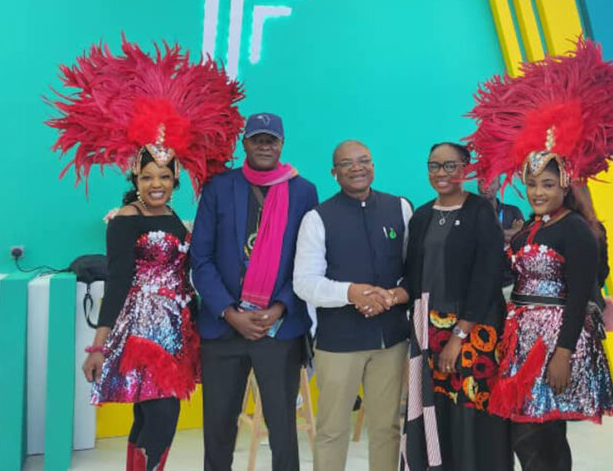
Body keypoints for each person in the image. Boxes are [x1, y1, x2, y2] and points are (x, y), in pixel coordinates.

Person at [47, 38, 244, 471]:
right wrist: (98, 347)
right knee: (161, 416)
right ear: (135, 178)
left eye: (165, 177)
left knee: (149, 416)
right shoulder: (125, 220)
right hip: (143, 330)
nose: (157, 184)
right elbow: (117, 282)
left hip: (177, 326)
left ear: (175, 181)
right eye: (148, 177)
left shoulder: (173, 216)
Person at [467, 37, 613, 470]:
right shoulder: (530, 227)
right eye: (532, 184)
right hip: (522, 337)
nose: (538, 192)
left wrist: (563, 353)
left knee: (537, 434)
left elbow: (580, 295)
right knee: (535, 433)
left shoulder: (576, 229)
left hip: (555, 340)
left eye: (547, 184)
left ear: (564, 186)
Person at [191, 112, 319, 471]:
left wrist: (280, 307)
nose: (264, 146)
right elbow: (201, 258)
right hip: (224, 327)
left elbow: (307, 259)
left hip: (277, 327)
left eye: (271, 140)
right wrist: (230, 312)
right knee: (218, 426)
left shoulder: (303, 191)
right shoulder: (219, 188)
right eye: (257, 139)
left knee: (282, 427)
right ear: (244, 143)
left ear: (281, 144)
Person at [293, 140, 411, 471]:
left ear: (373, 166)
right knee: (332, 430)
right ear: (334, 172)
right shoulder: (317, 218)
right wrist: (351, 293)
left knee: (387, 428)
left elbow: (412, 269)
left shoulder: (400, 207)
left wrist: (389, 296)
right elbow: (304, 282)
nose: (357, 168)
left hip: (390, 340)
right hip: (338, 343)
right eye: (347, 163)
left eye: (364, 160)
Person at [400, 142, 513, 471]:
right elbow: (413, 276)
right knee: (435, 415)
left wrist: (458, 336)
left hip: (474, 332)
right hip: (428, 332)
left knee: (470, 417)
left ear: (466, 168)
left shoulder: (480, 213)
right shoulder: (422, 216)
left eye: (450, 165)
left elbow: (487, 277)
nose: (442, 173)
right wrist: (389, 296)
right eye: (434, 165)